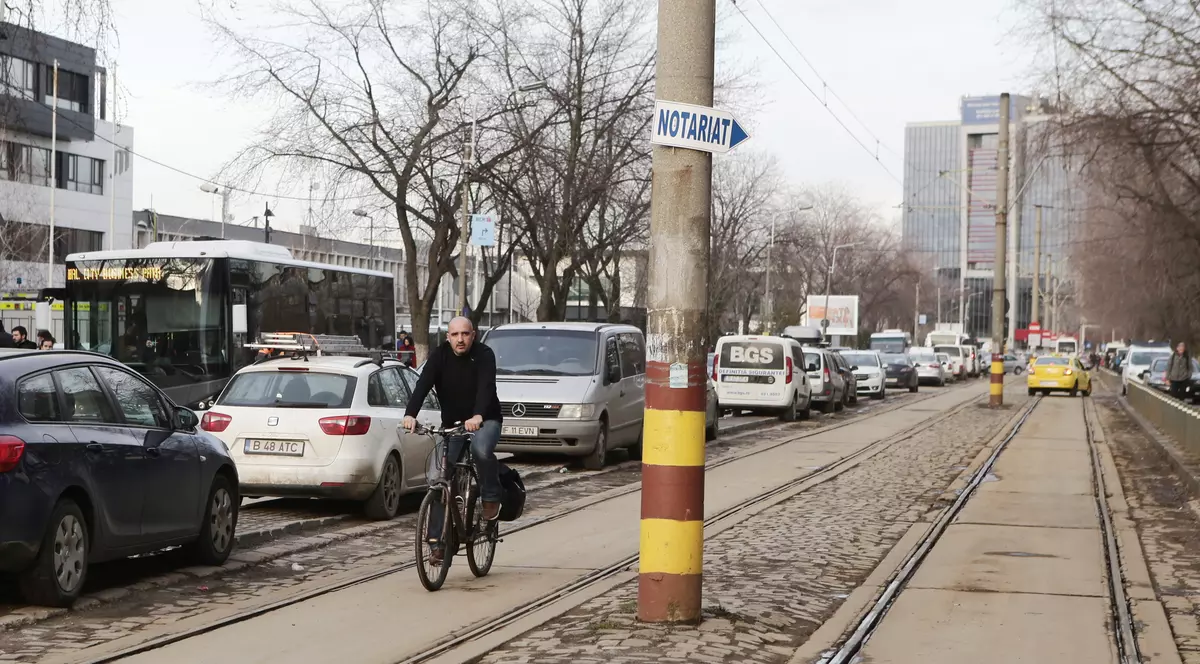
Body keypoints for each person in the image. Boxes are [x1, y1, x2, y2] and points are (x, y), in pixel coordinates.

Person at [402, 316, 502, 565]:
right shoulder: (439, 356)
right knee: (441, 478)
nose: (460, 339)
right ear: (448, 337)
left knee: (481, 450)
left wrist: (478, 414)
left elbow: (486, 386)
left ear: (473, 335)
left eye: (465, 334)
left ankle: (490, 497)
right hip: (453, 426)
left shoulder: (484, 355)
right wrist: (409, 414)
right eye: (455, 334)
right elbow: (423, 384)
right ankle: (437, 543)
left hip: (486, 419)